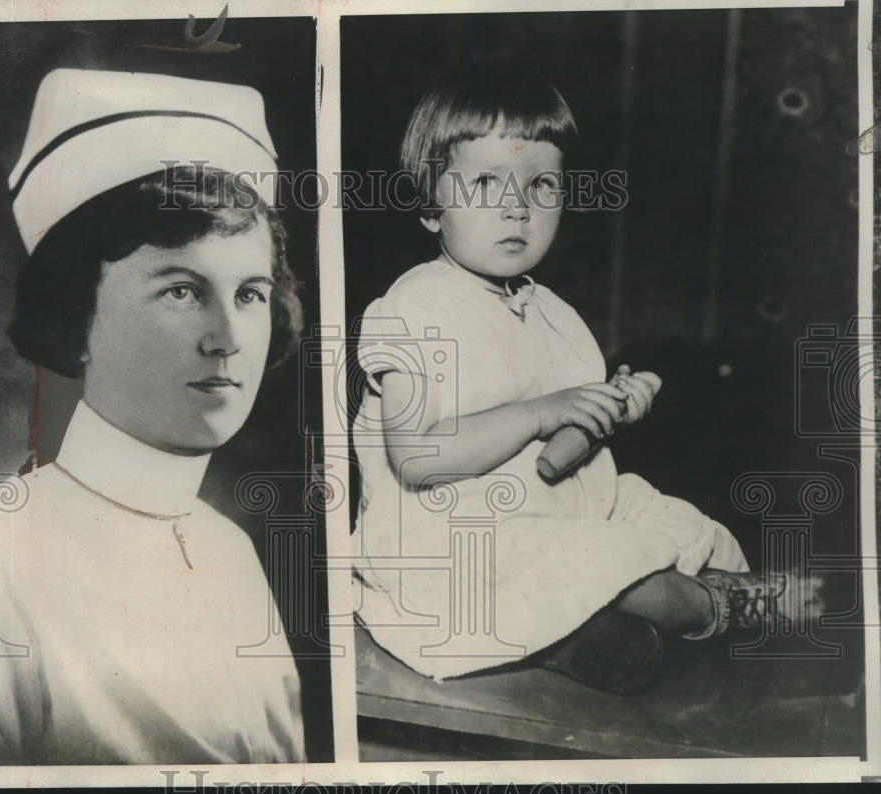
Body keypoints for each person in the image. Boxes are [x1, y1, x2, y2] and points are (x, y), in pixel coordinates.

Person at [351, 60, 823, 692]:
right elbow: (415, 458)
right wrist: (547, 410)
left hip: (552, 512)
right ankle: (727, 608)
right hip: (455, 540)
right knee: (633, 574)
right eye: (487, 183)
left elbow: (555, 462)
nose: (517, 207)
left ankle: (585, 641)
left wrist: (606, 409)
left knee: (669, 522)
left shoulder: (554, 314)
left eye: (542, 185)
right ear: (432, 205)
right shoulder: (416, 307)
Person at [0, 69, 305, 764]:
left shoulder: (231, 555)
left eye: (249, 293)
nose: (228, 338)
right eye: (182, 291)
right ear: (75, 315)